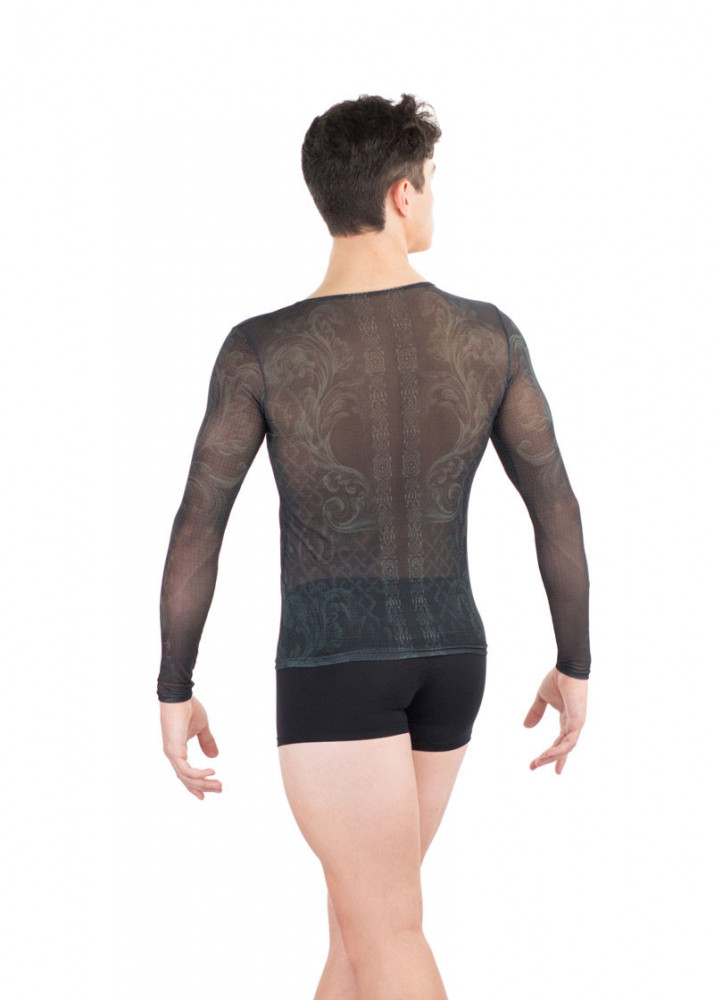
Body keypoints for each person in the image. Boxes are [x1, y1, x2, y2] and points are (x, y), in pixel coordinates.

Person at [156, 93, 590, 1000]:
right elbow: (553, 503)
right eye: (431, 182)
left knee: (383, 927)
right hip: (452, 655)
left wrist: (174, 684)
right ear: (401, 194)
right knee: (360, 935)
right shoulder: (489, 335)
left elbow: (200, 525)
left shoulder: (262, 349)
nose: (433, 200)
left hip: (335, 668)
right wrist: (573, 661)